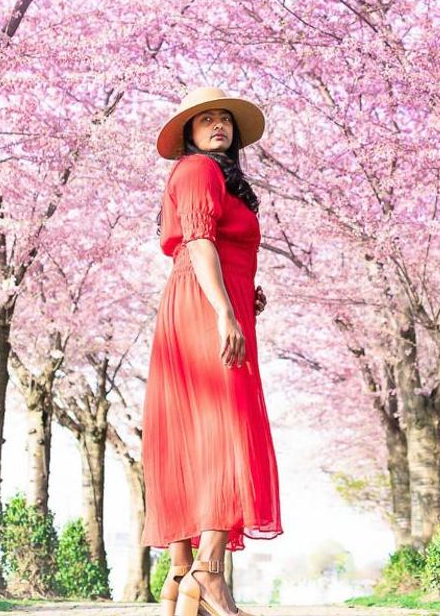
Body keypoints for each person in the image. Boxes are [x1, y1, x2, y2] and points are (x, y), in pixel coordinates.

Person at [140, 87, 282, 616]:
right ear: (189, 134)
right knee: (227, 428)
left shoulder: (216, 177)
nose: (218, 124)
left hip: (208, 300)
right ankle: (208, 570)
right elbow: (198, 242)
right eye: (206, 120)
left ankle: (180, 575)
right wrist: (224, 310)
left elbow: (216, 248)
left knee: (193, 432)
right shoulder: (198, 169)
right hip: (204, 307)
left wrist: (243, 295)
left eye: (225, 118)